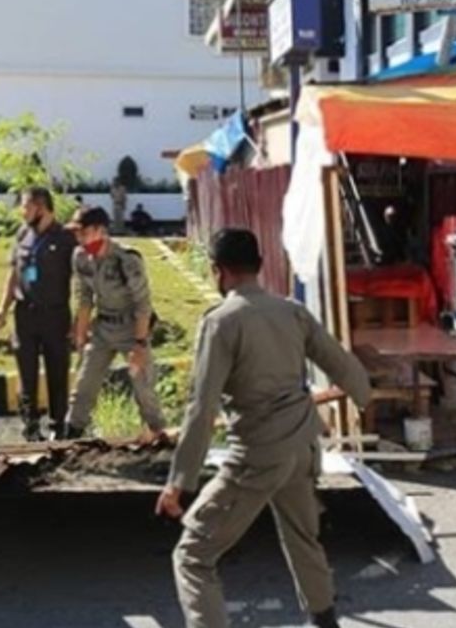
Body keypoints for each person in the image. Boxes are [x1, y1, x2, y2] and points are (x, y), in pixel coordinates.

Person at [156, 228, 372, 628]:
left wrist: (179, 482)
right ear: (258, 265)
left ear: (219, 271)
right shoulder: (292, 311)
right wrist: (364, 395)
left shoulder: (221, 322)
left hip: (257, 454)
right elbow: (342, 364)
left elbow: (201, 408)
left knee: (192, 557)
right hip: (303, 448)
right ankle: (326, 622)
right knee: (303, 539)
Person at [62, 206, 167, 439]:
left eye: (83, 232)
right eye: (76, 233)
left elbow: (143, 304)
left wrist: (140, 345)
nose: (78, 238)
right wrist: (80, 335)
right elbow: (84, 297)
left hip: (132, 330)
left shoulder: (126, 260)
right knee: (84, 385)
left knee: (143, 388)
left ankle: (160, 437)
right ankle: (70, 437)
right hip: (103, 329)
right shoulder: (80, 257)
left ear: (100, 230)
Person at [0, 187, 76, 441]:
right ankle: (30, 427)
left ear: (42, 208)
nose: (23, 211)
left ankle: (57, 426)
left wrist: (83, 319)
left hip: (55, 316)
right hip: (25, 316)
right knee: (26, 374)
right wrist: (3, 307)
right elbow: (14, 273)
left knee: (57, 372)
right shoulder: (22, 234)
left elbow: (82, 277)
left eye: (27, 206)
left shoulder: (65, 239)